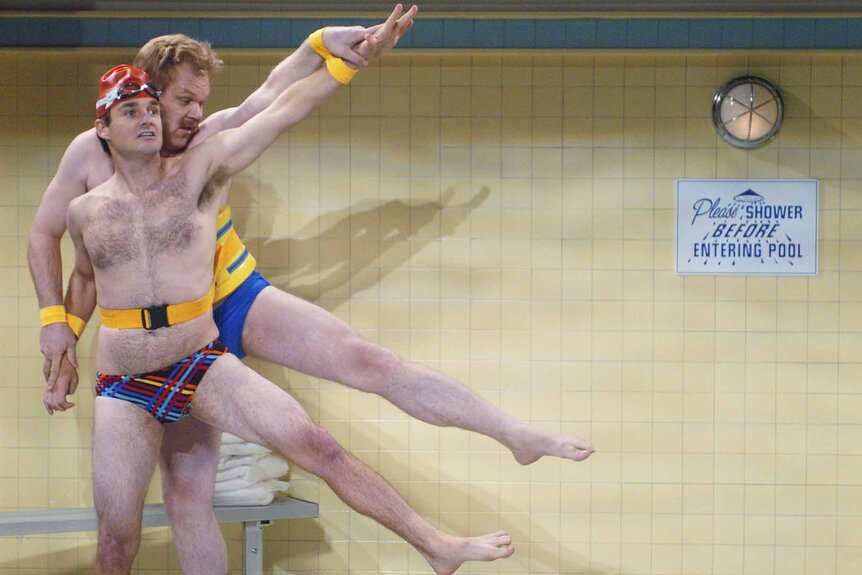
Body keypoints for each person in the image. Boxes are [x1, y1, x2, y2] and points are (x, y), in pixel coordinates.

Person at [29, 3, 593, 570]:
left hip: (223, 301)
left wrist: (326, 45)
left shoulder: (207, 152)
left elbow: (275, 102)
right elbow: (69, 257)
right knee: (184, 498)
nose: (195, 114)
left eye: (196, 102)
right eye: (181, 101)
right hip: (139, 345)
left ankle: (507, 439)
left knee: (366, 365)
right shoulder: (90, 165)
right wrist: (61, 331)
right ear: (128, 106)